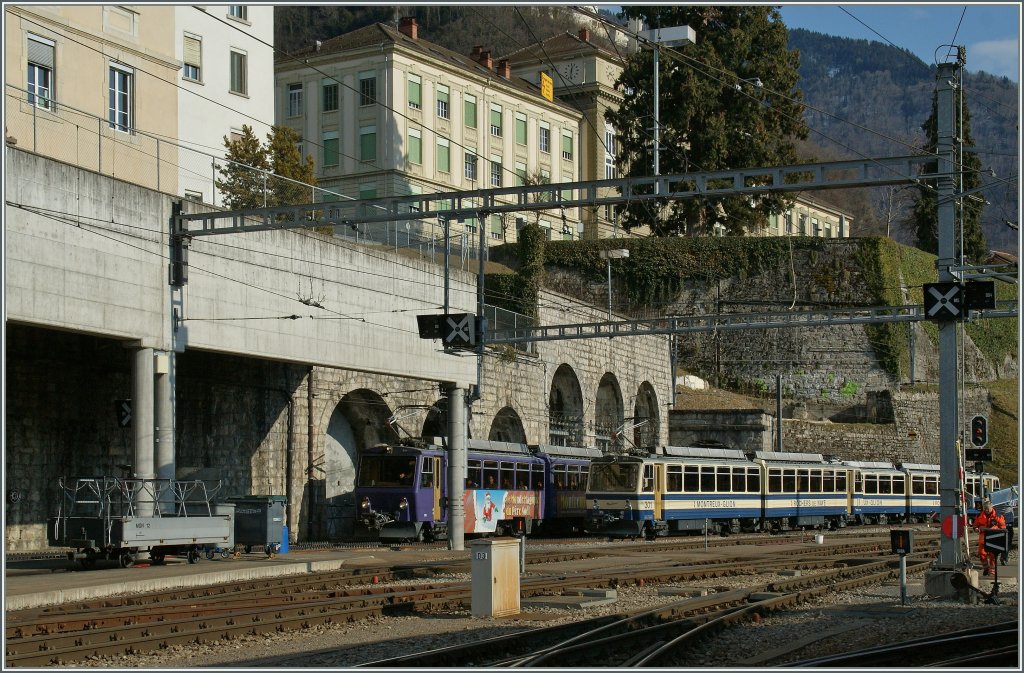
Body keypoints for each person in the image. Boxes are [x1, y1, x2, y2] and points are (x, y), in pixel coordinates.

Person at [973, 499, 1006, 576]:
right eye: (985, 508)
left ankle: (992, 572)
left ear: (992, 508)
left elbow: (1003, 528)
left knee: (993, 556)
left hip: (994, 539)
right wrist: (976, 529)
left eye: (987, 508)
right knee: (981, 554)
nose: (986, 510)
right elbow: (975, 525)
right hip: (983, 539)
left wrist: (995, 530)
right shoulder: (979, 516)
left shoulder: (998, 516)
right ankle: (986, 568)